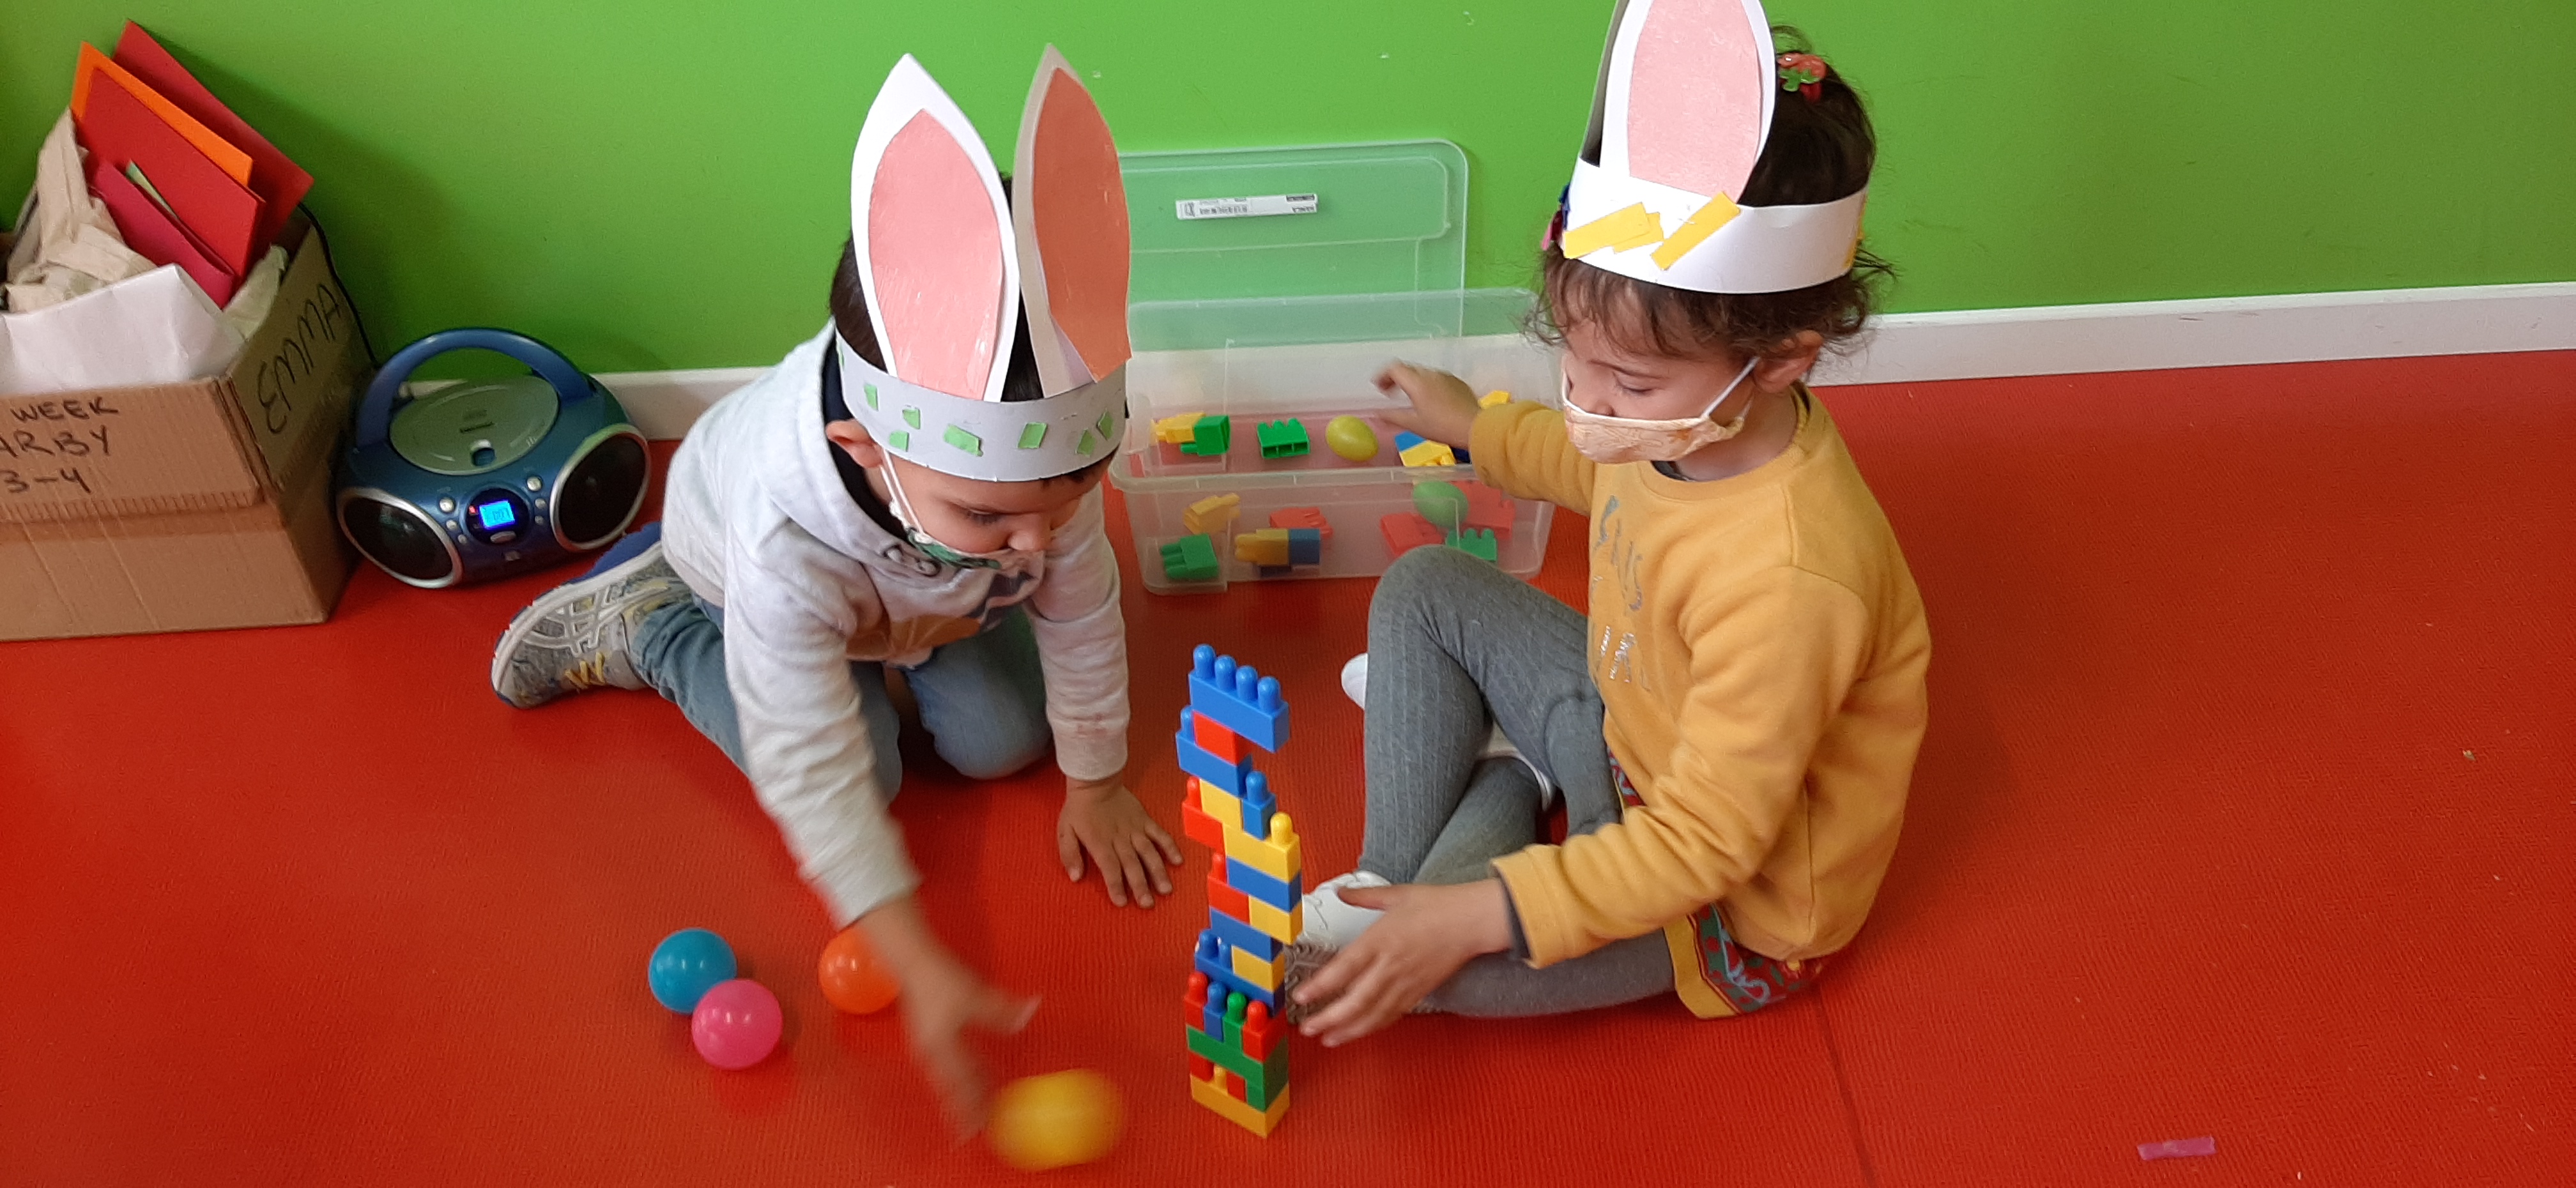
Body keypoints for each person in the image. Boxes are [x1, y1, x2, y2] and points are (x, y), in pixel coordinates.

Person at [489, 51, 1172, 1129]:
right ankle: (651, 620)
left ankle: (934, 609)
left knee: (1003, 743)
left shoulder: (1026, 487)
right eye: (994, 518)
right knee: (872, 774)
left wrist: (1097, 781)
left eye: (1076, 490)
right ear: (866, 450)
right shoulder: (784, 529)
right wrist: (912, 950)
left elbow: (1081, 609)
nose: (1041, 541)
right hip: (758, 583)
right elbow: (806, 756)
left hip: (927, 598)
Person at [1287, 18, 1931, 1046]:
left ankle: (1495, 798)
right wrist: (1473, 427)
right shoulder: (1680, 423)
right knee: (1424, 586)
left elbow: (1708, 845)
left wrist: (1475, 919)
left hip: (1719, 896)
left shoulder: (1788, 579)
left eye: (1627, 382)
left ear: (1780, 360)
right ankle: (1396, 876)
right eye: (1573, 358)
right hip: (1622, 727)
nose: (1588, 401)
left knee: (1453, 978)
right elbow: (1588, 461)